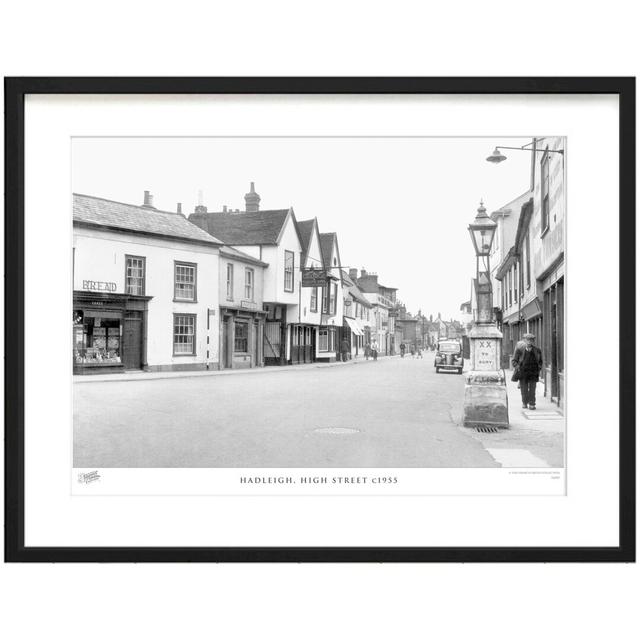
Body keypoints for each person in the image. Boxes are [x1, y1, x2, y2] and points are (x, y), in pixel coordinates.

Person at [512, 333, 543, 410]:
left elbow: (540, 361)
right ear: (524, 341)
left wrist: (538, 368)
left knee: (532, 390)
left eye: (531, 340)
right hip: (523, 373)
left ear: (533, 341)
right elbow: (514, 361)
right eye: (527, 340)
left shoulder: (537, 350)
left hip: (533, 373)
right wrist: (518, 367)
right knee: (524, 389)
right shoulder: (519, 350)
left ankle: (532, 403)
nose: (529, 342)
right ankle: (524, 402)